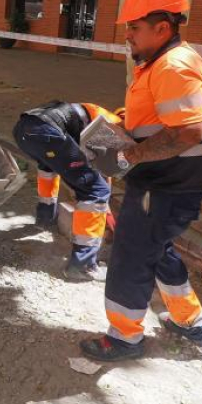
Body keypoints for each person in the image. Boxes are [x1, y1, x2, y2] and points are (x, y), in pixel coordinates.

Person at [80, 0, 202, 362]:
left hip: (168, 184)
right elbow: (163, 119)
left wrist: (130, 156)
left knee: (130, 254)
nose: (127, 35)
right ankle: (191, 324)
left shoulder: (173, 67)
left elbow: (188, 132)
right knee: (155, 249)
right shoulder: (163, 61)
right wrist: (123, 124)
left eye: (134, 28)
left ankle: (124, 338)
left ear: (163, 28)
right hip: (173, 181)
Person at [12, 101, 120, 282]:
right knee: (95, 190)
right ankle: (83, 266)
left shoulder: (98, 112)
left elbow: (95, 164)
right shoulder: (114, 126)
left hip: (25, 129)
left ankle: (45, 219)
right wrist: (102, 196)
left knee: (49, 167)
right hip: (47, 133)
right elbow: (99, 168)